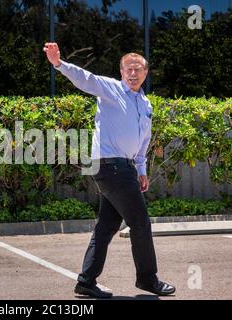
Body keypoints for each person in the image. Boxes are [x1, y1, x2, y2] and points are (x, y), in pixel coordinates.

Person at [44, 42, 175, 298]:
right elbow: (86, 79)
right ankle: (148, 279)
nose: (133, 73)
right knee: (140, 222)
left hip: (124, 167)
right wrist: (59, 64)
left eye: (138, 69)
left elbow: (142, 140)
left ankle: (85, 281)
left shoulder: (145, 104)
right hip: (110, 165)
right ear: (121, 71)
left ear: (145, 73)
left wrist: (141, 169)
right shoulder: (111, 89)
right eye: (128, 69)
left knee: (106, 226)